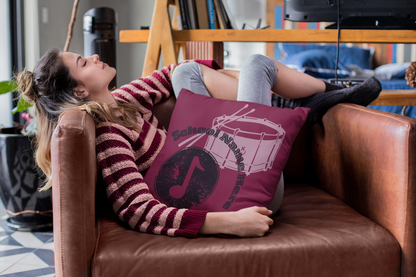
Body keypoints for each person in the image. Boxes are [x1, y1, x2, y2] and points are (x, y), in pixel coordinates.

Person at [16, 48, 381, 238]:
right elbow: (137, 210)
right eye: (84, 61)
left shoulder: (124, 101)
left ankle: (290, 106)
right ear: (80, 90)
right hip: (236, 190)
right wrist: (224, 222)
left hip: (216, 158)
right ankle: (327, 95)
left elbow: (167, 75)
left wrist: (215, 69)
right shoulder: (110, 136)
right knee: (257, 65)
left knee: (184, 72)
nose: (94, 57)